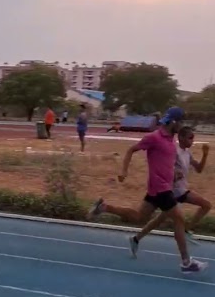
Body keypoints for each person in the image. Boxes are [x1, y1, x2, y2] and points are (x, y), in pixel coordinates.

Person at [87, 107, 207, 273]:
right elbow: (131, 150)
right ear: (173, 121)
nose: (181, 125)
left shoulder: (171, 139)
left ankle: (104, 207)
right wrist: (124, 171)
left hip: (161, 187)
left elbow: (164, 161)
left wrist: (175, 173)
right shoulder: (154, 138)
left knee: (138, 216)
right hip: (161, 188)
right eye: (180, 122)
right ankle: (186, 262)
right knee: (179, 219)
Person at [130, 125, 213, 256]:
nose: (192, 141)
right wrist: (174, 174)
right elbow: (165, 165)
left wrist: (205, 155)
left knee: (160, 219)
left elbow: (199, 169)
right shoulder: (173, 150)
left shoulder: (187, 153)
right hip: (171, 191)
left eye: (193, 138)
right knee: (204, 205)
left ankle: (136, 238)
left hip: (180, 190)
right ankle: (185, 237)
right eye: (189, 138)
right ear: (180, 137)